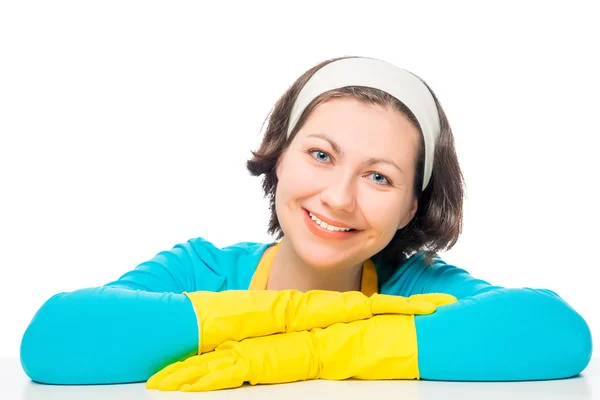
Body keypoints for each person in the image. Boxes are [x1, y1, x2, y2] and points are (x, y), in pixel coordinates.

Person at [20, 56, 592, 392]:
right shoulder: (200, 268)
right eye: (321, 155)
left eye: (380, 177)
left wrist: (310, 355)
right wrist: (301, 313)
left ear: (412, 207)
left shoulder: (416, 286)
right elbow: (54, 341)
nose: (339, 197)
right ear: (280, 155)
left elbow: (558, 333)